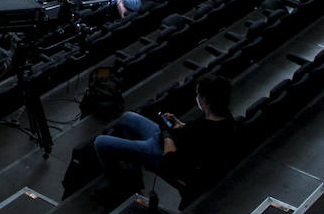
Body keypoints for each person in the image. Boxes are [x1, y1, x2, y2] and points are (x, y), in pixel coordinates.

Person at [92, 75, 235, 195]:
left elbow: (170, 158)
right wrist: (179, 124)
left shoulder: (202, 131)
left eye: (198, 95)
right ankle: (132, 177)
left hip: (160, 152)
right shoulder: (225, 119)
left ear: (206, 101)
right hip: (172, 139)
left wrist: (167, 133)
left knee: (100, 142)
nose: (197, 98)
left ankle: (117, 183)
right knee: (128, 117)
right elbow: (192, 133)